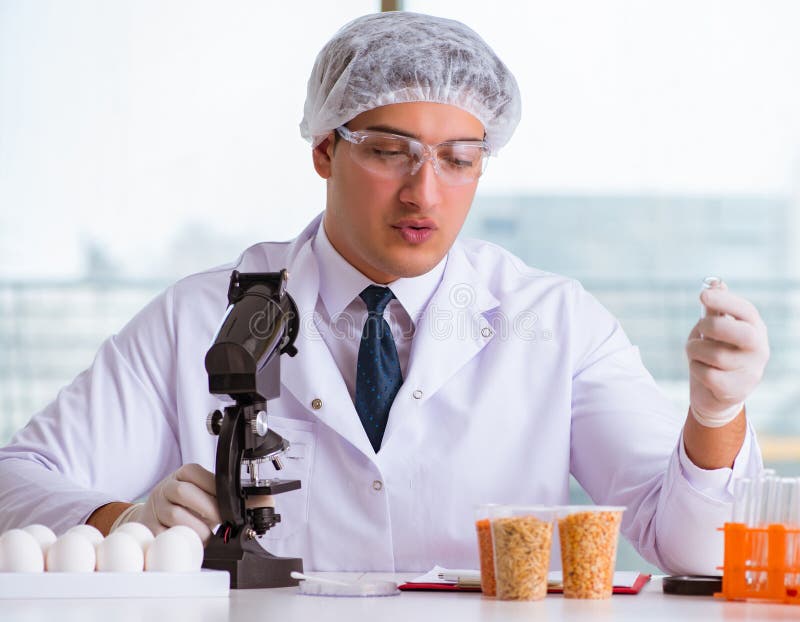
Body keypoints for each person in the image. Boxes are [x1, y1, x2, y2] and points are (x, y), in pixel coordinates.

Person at [0, 12, 769, 574]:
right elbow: (15, 478)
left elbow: (695, 548)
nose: (424, 192)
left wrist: (715, 418)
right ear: (325, 149)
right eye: (391, 151)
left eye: (459, 159)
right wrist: (122, 522)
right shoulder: (199, 317)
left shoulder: (554, 323)